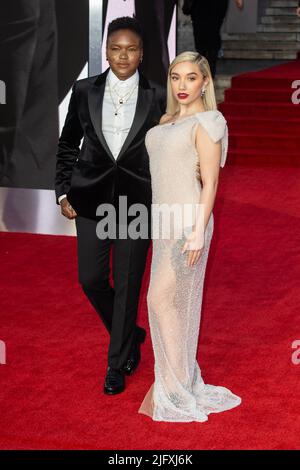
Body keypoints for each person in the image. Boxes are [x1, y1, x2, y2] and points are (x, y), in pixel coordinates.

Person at [55, 17, 166, 395]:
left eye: (131, 48)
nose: (123, 55)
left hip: (137, 203)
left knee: (128, 284)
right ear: (106, 50)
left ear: (141, 53)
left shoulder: (158, 94)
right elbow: (69, 144)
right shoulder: (85, 90)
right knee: (91, 279)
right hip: (92, 198)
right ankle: (130, 333)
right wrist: (62, 191)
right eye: (116, 48)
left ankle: (117, 362)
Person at [138, 51, 241, 422]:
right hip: (162, 223)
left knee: (158, 298)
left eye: (191, 78)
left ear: (205, 82)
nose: (183, 85)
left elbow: (211, 182)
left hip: (188, 223)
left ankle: (175, 385)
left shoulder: (209, 122)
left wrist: (198, 232)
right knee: (170, 304)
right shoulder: (165, 120)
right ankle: (177, 380)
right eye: (176, 77)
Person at [189, 0, 244, 78]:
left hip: (213, 8)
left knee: (212, 36)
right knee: (202, 37)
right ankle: (204, 69)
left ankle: (209, 70)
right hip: (201, 8)